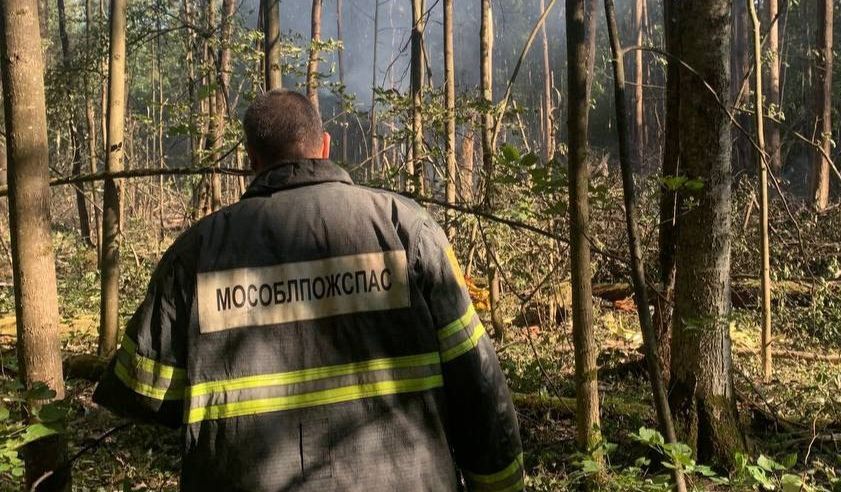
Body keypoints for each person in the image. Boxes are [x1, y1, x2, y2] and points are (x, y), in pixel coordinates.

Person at [93, 89, 523, 491]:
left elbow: (143, 392)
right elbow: (478, 385)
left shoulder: (197, 254)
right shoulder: (406, 230)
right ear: (325, 146)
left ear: (252, 160)